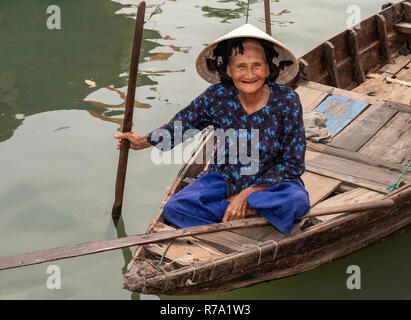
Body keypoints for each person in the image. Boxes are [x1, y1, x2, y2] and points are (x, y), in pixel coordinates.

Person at [114, 24, 310, 234]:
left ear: (268, 68)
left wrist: (246, 195)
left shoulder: (286, 100)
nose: (250, 74)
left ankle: (241, 206)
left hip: (271, 181)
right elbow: (183, 124)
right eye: (241, 66)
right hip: (225, 177)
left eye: (257, 65)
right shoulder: (217, 96)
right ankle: (246, 210)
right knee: (175, 208)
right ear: (228, 69)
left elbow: (293, 163)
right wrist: (143, 141)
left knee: (296, 201)